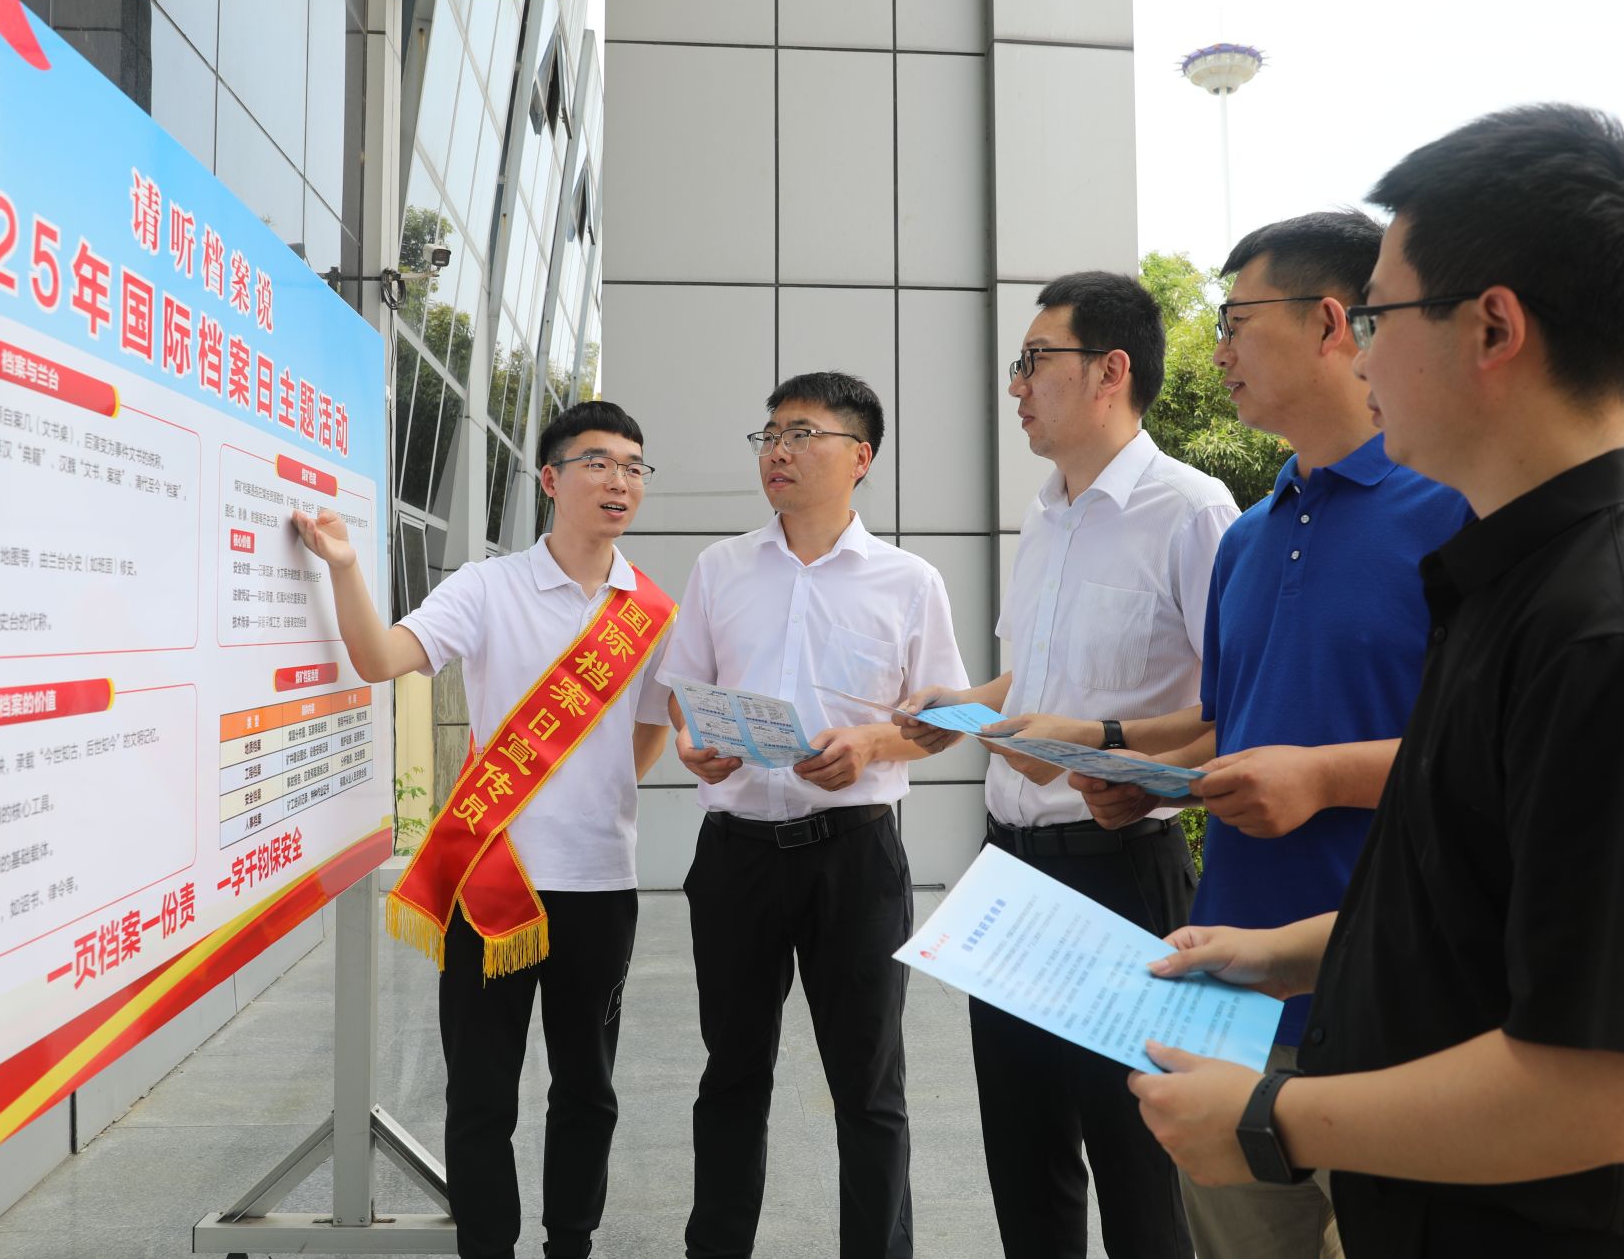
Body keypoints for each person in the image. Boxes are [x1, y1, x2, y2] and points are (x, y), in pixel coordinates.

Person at [1110, 105, 1624, 1259]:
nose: (1360, 351)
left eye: (1377, 315)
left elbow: (1614, 1090)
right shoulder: (1514, 579)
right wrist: (1281, 952)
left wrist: (1270, 1122)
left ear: (1490, 328)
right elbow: (1483, 896)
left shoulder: (1619, 636)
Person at [1019, 212, 1468, 1258]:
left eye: (1234, 321)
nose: (1215, 350)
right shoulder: (1250, 540)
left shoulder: (1453, 516)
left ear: (1329, 323)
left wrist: (1322, 779)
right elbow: (1232, 728)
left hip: (1399, 996)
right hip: (1230, 997)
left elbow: (1503, 762)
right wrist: (1147, 779)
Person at [899, 271, 1238, 1259]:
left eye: (1033, 360)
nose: (1015, 384)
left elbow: (1233, 707)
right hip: (1008, 871)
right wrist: (964, 704)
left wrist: (1110, 750)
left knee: (1139, 1170)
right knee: (1025, 1160)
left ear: (1109, 371)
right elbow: (1037, 680)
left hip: (1119, 872)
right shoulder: (1044, 514)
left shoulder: (1192, 511)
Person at [293, 399, 676, 1259]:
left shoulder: (650, 612)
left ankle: (571, 1242)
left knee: (588, 1089)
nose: (619, 480)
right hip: (491, 881)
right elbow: (380, 659)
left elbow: (650, 729)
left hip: (601, 884)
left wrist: (592, 793)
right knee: (479, 1095)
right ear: (550, 479)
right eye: (598, 461)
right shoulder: (486, 586)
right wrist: (346, 567)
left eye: (634, 466)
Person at [646, 370, 968, 1259]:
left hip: (855, 858)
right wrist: (692, 742)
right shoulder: (720, 568)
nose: (777, 451)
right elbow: (684, 695)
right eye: (769, 435)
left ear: (859, 456)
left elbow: (943, 723)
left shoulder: (908, 580)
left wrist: (872, 743)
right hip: (736, 855)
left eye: (801, 433)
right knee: (731, 1074)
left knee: (868, 1086)